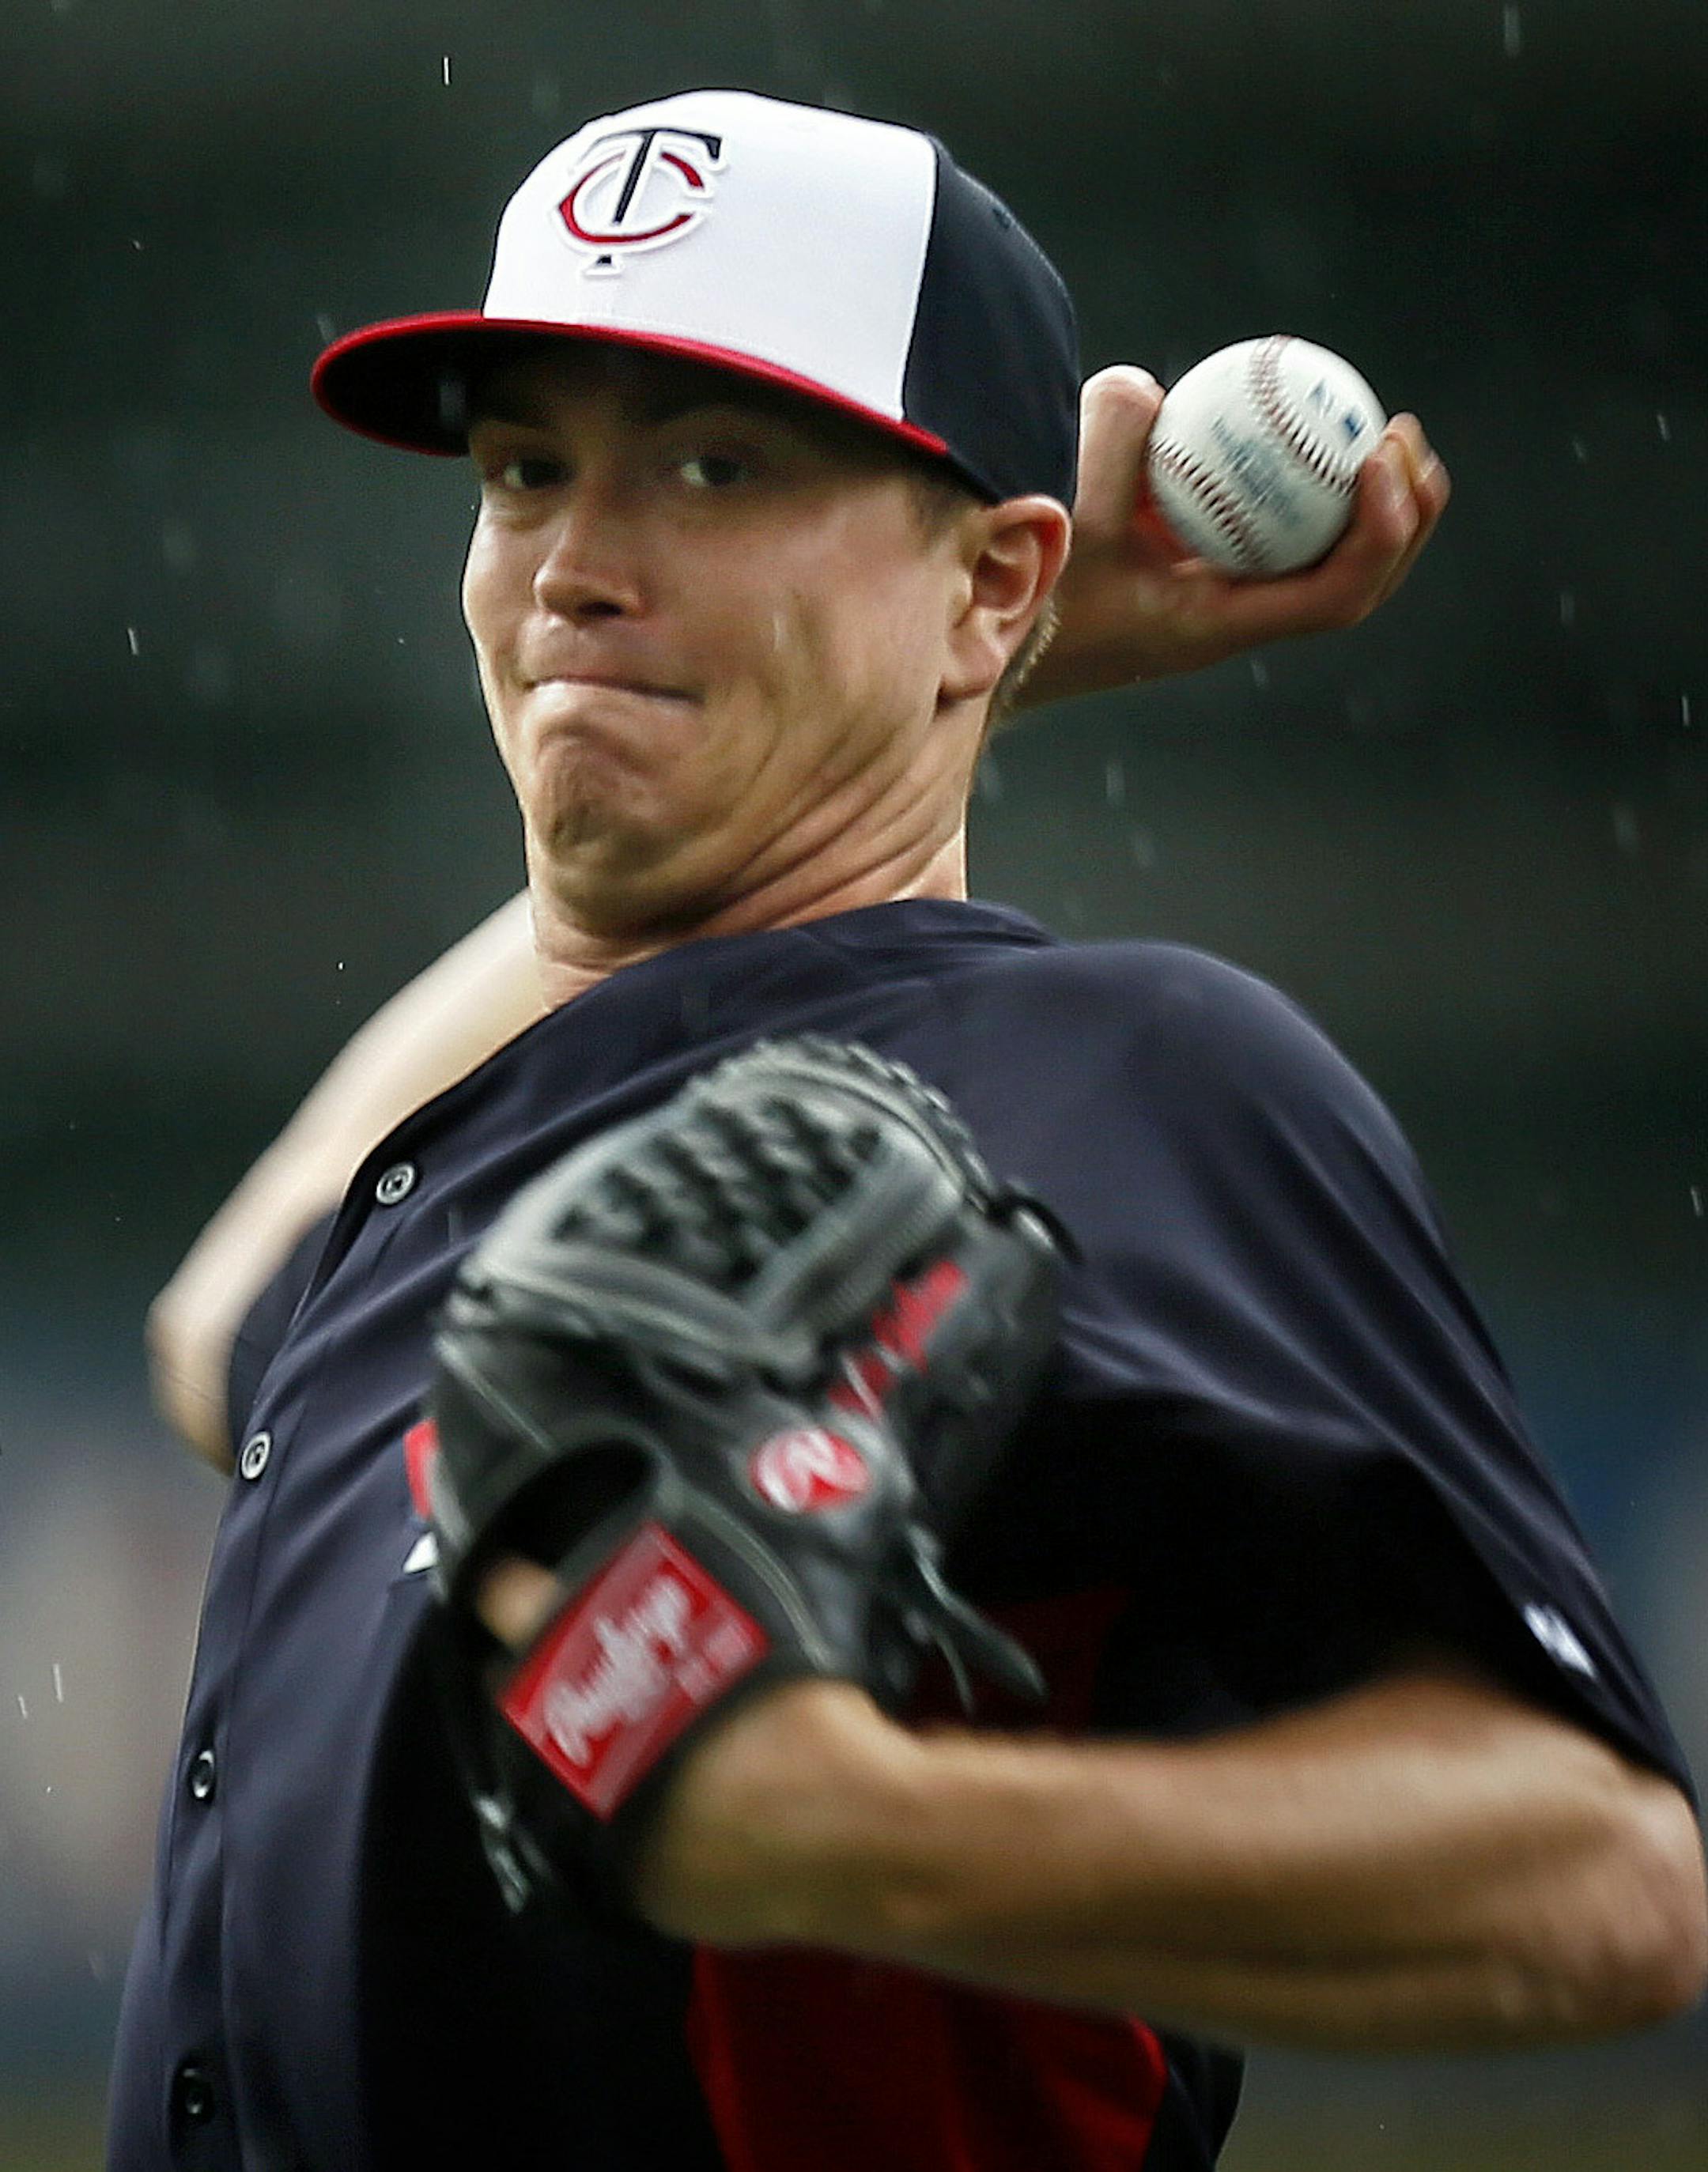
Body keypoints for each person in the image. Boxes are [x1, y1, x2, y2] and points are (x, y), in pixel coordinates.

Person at [114, 88, 1702, 2172]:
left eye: (714, 463)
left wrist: (854, 1829)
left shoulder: (1115, 1069)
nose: (580, 564)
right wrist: (968, 676)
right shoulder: (450, 1166)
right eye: (525, 469)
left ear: (992, 573)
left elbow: (1606, 1880)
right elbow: (222, 1307)